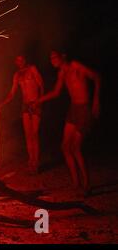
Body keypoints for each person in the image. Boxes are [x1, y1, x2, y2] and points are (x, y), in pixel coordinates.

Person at [34, 51, 100, 193]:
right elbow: (56, 92)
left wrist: (96, 100)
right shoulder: (62, 74)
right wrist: (39, 100)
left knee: (75, 147)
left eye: (54, 57)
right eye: (50, 58)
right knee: (65, 147)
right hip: (73, 109)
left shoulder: (75, 65)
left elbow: (96, 77)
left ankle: (86, 184)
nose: (52, 60)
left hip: (84, 109)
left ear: (62, 56)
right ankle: (76, 183)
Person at [0, 55, 44, 173]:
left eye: (21, 59)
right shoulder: (17, 75)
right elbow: (12, 93)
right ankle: (31, 160)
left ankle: (36, 162)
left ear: (25, 60)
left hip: (35, 103)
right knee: (28, 135)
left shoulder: (32, 68)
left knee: (34, 134)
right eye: (17, 60)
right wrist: (1, 105)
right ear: (15, 62)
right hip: (25, 105)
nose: (20, 61)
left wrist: (40, 102)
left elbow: (41, 85)